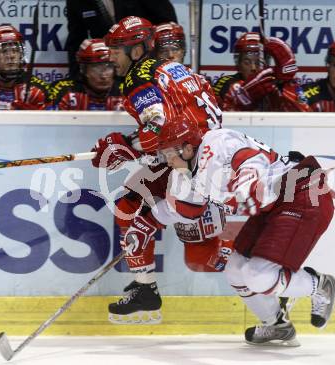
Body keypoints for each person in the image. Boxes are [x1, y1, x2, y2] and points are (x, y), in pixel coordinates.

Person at [155, 117, 335, 346]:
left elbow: (250, 159)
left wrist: (247, 184)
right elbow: (177, 209)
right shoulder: (187, 176)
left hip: (302, 193)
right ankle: (276, 324)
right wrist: (144, 225)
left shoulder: (215, 141)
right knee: (235, 269)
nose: (167, 161)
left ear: (186, 148)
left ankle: (321, 285)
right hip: (270, 206)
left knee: (259, 276)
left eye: (168, 154)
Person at [90, 16, 228, 324]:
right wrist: (128, 145)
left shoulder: (140, 76)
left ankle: (270, 269)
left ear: (137, 50)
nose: (109, 55)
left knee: (202, 253)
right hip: (200, 156)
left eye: (117, 49)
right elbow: (176, 123)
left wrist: (125, 146)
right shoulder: (171, 69)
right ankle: (145, 287)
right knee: (130, 204)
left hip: (194, 162)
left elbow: (157, 126)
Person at [65, 0, 177, 77]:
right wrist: (76, 79)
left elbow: (167, 24)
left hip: (148, 64)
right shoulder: (76, 2)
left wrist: (162, 62)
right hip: (110, 70)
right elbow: (75, 42)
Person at [213, 32, 310, 112]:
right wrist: (243, 96)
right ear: (238, 64)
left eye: (258, 62)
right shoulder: (225, 84)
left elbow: (305, 115)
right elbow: (218, 120)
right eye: (247, 62)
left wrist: (286, 83)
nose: (254, 68)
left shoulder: (274, 85)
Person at [0, 25, 50, 110]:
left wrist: (35, 115)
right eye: (4, 51)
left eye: (15, 50)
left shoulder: (37, 89)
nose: (11, 56)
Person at [50, 39, 124, 110]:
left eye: (109, 67)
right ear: (83, 69)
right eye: (96, 67)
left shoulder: (126, 92)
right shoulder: (62, 91)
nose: (103, 75)